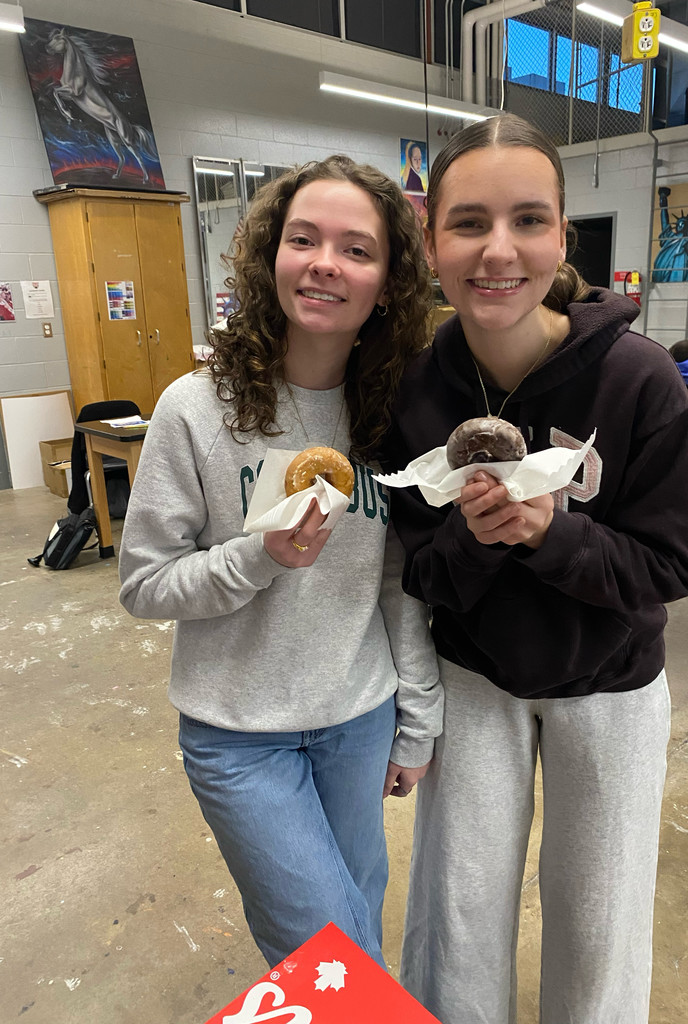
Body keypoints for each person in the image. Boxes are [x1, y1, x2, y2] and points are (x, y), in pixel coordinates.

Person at [384, 114, 688, 1024]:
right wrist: (480, 538)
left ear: (562, 237)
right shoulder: (416, 390)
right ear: (432, 241)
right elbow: (422, 574)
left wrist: (549, 536)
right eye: (468, 222)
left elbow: (667, 567)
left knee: (598, 918)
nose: (498, 250)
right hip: (477, 676)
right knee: (460, 908)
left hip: (611, 685)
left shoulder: (639, 381)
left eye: (528, 220)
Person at [118, 154, 443, 969]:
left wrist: (416, 720)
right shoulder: (195, 409)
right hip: (237, 735)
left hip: (357, 720)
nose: (326, 262)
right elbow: (144, 584)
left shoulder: (391, 410)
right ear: (272, 257)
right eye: (305, 238)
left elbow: (398, 580)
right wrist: (257, 559)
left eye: (357, 248)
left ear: (388, 281)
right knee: (336, 958)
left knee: (353, 920)